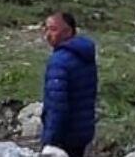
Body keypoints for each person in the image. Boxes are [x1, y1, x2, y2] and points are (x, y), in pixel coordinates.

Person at [41, 12, 98, 157]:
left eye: (53, 29)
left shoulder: (59, 61)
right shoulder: (84, 54)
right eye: (46, 29)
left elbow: (57, 104)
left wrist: (51, 140)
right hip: (83, 129)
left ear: (68, 31)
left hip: (65, 135)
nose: (47, 34)